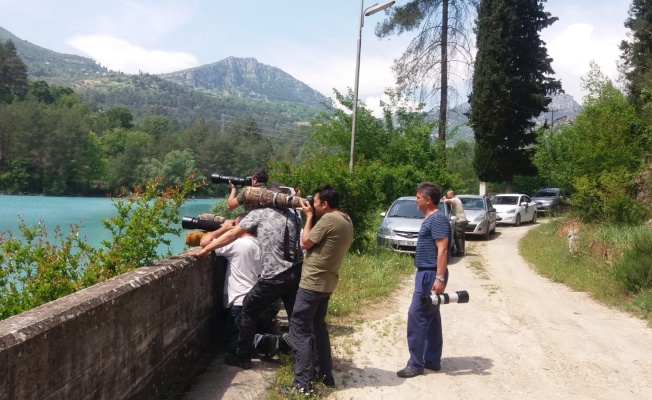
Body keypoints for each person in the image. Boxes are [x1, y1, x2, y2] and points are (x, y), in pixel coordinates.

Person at [189, 183, 303, 369]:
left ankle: (247, 355)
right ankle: (304, 357)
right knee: (296, 318)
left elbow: (231, 235)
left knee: (247, 312)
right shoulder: (293, 215)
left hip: (269, 280)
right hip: (293, 275)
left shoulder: (260, 215)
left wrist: (210, 245)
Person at [285, 185, 353, 393]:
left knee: (299, 330)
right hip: (327, 282)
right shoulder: (346, 219)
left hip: (312, 283)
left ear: (324, 204)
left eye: (314, 203)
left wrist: (307, 217)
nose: (312, 206)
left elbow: (305, 242)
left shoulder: (328, 220)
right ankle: (325, 375)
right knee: (318, 328)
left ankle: (302, 384)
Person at [196, 212, 289, 361]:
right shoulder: (265, 244)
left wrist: (224, 229)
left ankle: (274, 342)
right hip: (263, 304)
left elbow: (204, 242)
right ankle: (270, 335)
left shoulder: (238, 244)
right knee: (252, 333)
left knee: (233, 342)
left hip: (242, 303)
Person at [397, 182, 451, 378]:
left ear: (428, 200)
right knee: (432, 316)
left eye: (418, 197)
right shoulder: (430, 218)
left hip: (430, 274)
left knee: (417, 316)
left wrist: (439, 277)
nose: (415, 200)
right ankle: (432, 359)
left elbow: (442, 249)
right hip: (426, 273)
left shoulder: (437, 219)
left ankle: (416, 364)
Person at [443, 189, 468, 256]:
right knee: (461, 237)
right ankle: (461, 251)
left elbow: (445, 201)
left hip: (460, 221)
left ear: (452, 195)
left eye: (447, 195)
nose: (447, 196)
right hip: (463, 220)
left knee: (458, 237)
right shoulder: (456, 200)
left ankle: (460, 252)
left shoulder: (455, 199)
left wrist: (444, 198)